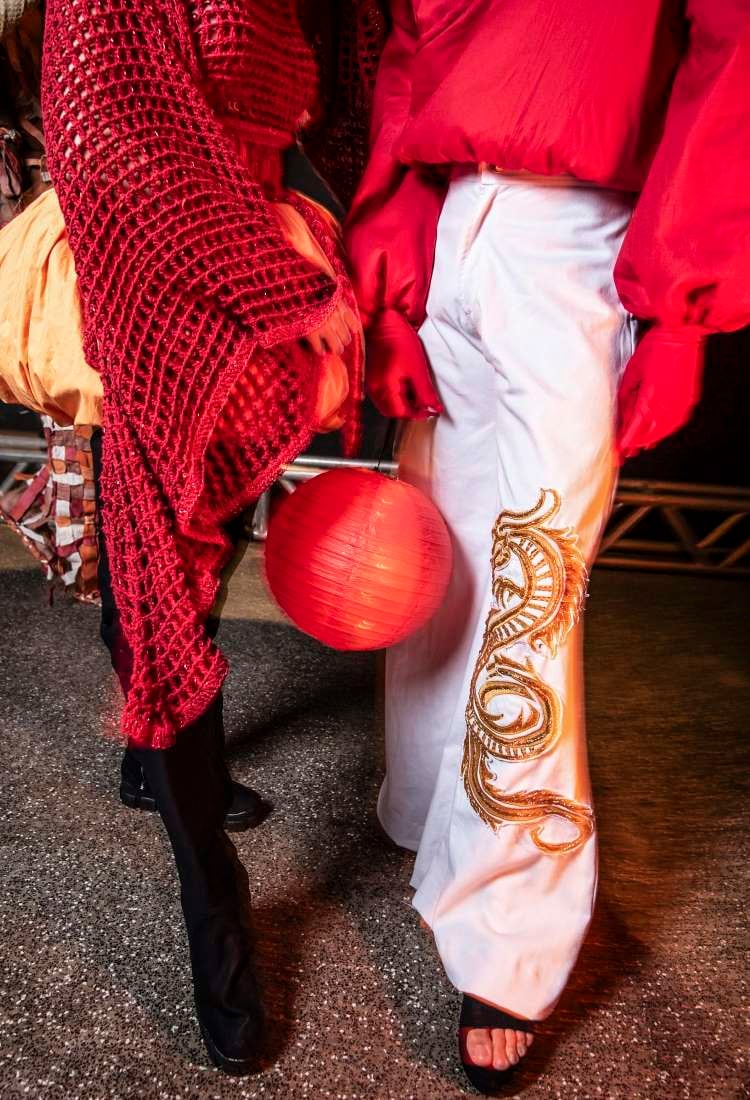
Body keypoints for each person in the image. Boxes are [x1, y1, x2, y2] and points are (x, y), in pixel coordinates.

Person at [346, 1, 749, 1091]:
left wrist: (681, 309)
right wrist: (390, 279)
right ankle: (434, 817)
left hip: (583, 232)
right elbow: (408, 52)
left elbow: (732, 49)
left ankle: (509, 936)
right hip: (451, 215)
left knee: (533, 578)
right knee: (442, 564)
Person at [41, 0, 363, 1075]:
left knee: (202, 545)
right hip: (148, 259)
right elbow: (112, 137)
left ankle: (156, 757)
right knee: (157, 568)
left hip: (261, 256)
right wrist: (290, 284)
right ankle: (210, 893)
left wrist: (335, 248)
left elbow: (341, 108)